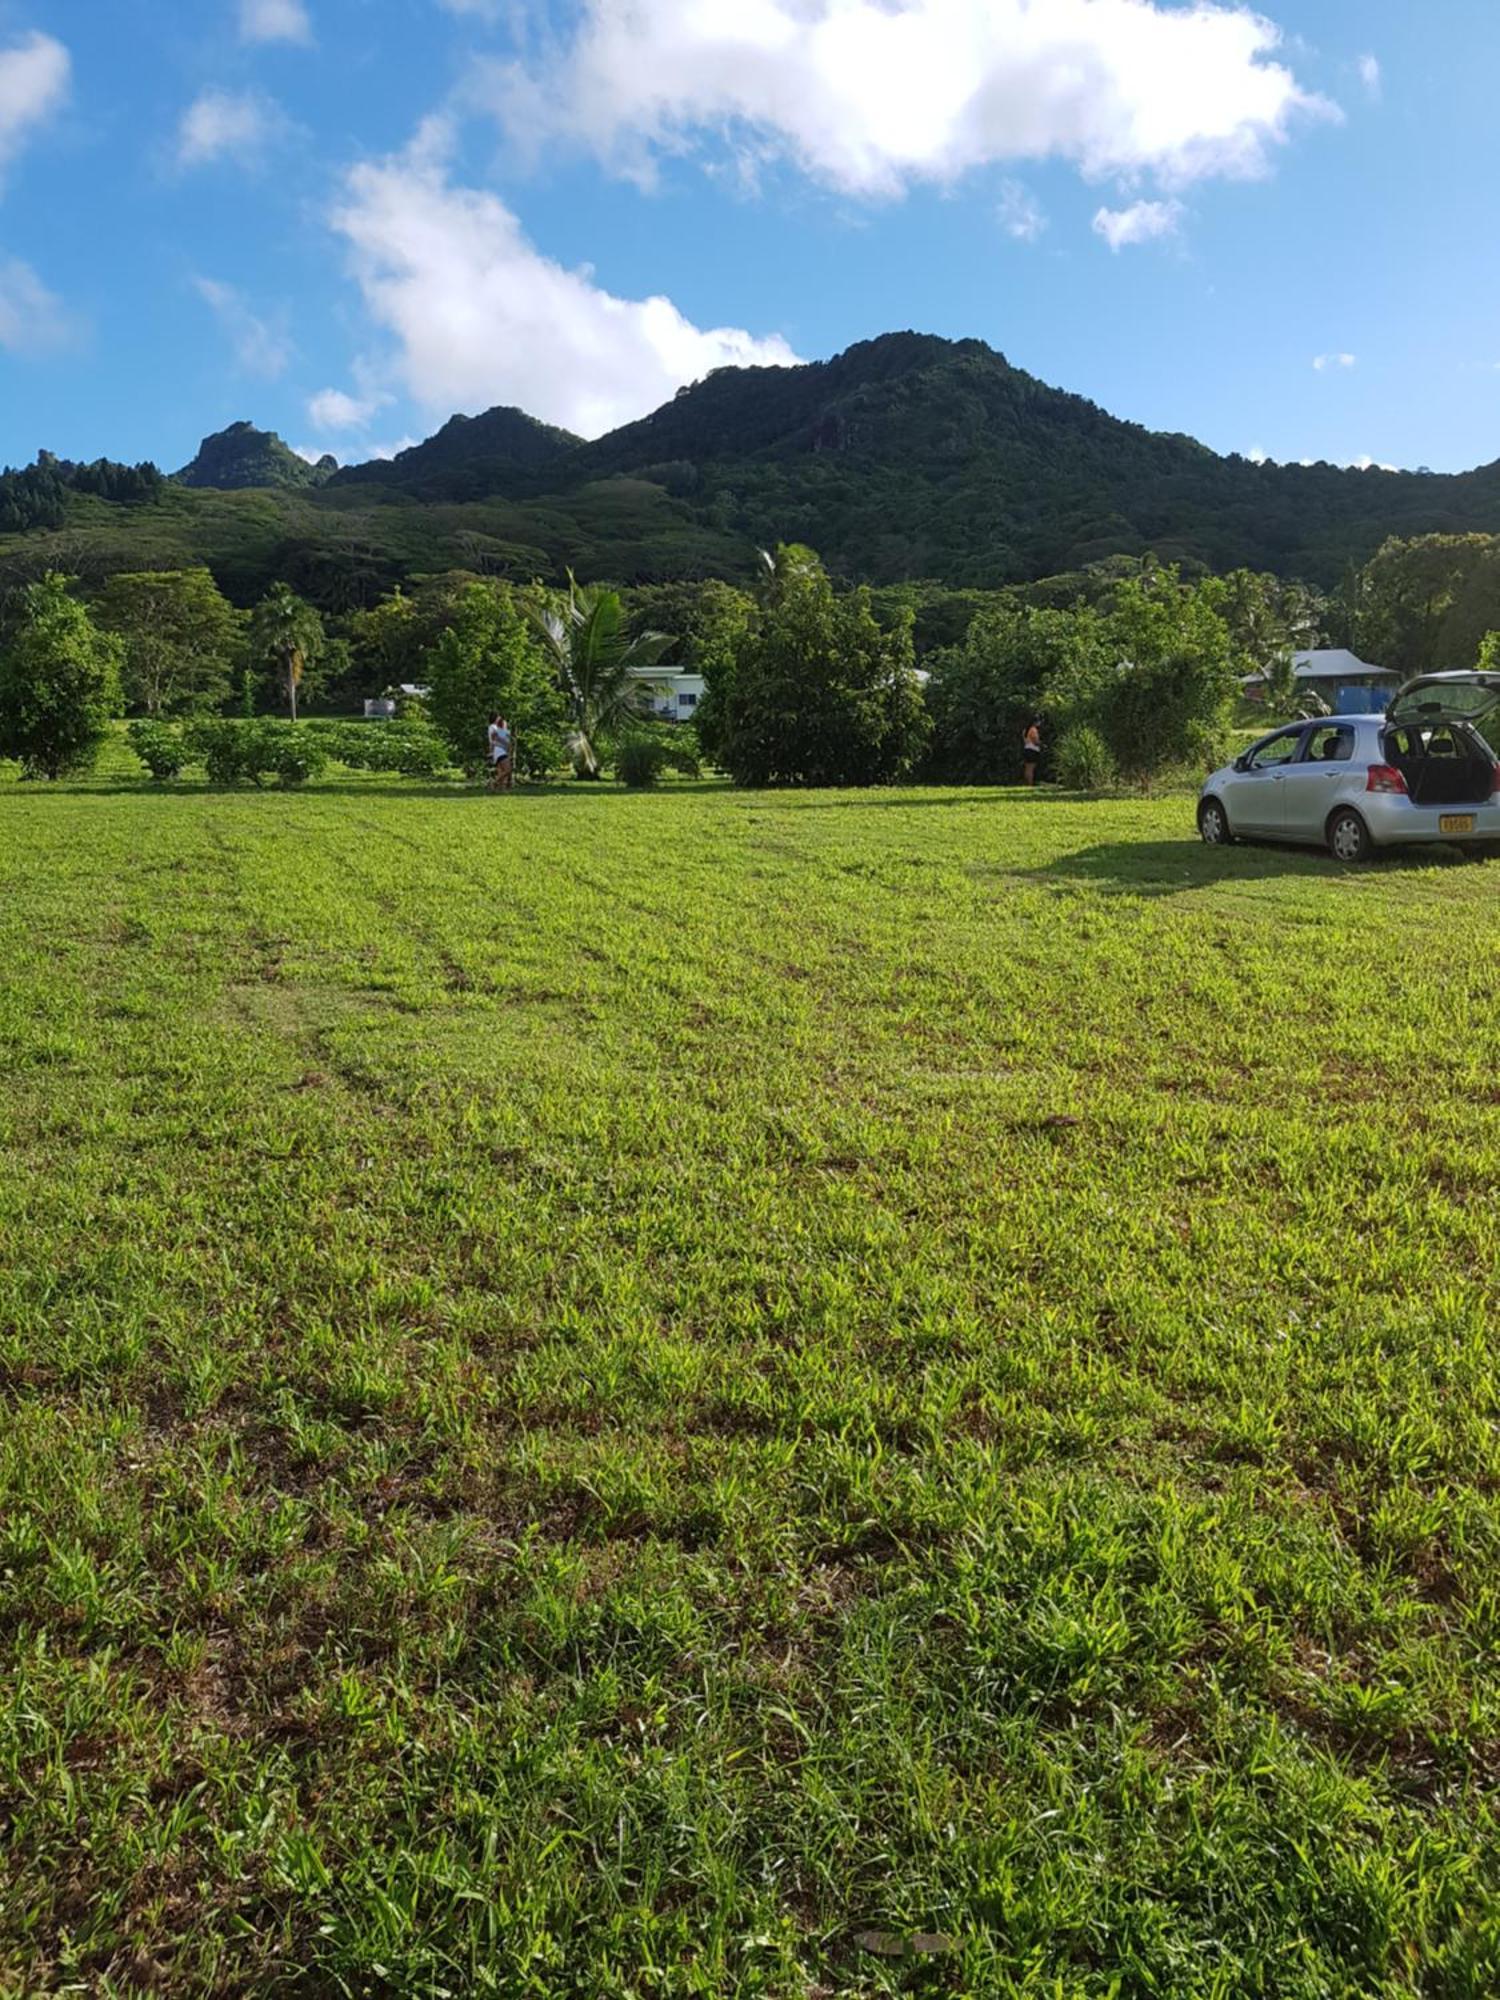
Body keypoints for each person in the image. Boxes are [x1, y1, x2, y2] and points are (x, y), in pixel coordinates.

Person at [1021, 717, 1043, 787]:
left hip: (1027, 748)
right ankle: (1030, 784)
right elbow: (1035, 741)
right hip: (1032, 750)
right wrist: (1042, 744)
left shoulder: (1025, 730)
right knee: (1031, 768)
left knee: (1027, 768)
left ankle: (1026, 783)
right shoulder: (1033, 729)